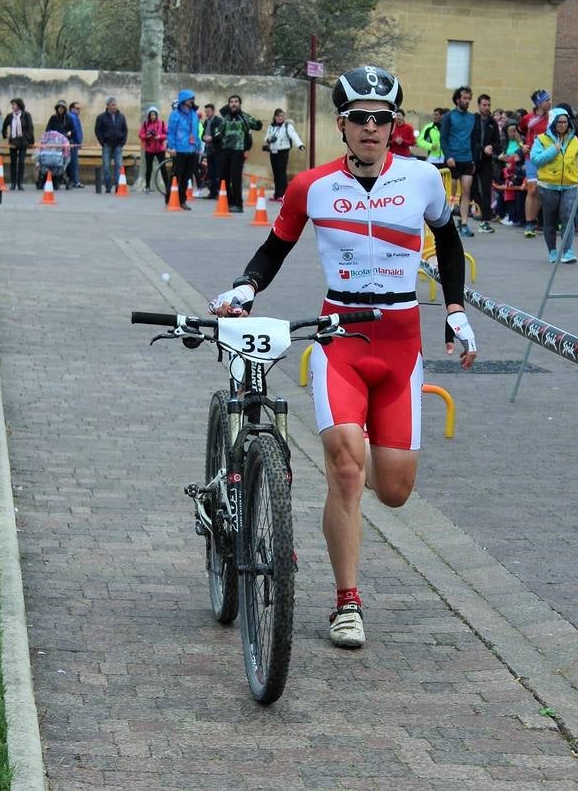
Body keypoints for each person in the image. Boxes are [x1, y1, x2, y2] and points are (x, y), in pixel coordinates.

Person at [210, 65, 477, 649]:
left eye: (382, 119)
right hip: (341, 340)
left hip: (401, 341)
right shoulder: (312, 185)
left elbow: (450, 241)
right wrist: (246, 287)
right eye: (360, 119)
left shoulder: (424, 179)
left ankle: (349, 519)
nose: (372, 129)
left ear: (394, 125)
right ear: (343, 125)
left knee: (395, 489)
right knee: (347, 470)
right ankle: (346, 602)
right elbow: (275, 245)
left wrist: (455, 309)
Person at [530, 106, 578, 265]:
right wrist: (553, 150)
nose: (562, 125)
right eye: (559, 122)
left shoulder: (574, 140)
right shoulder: (541, 139)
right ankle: (553, 251)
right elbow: (536, 160)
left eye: (565, 122)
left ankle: (568, 251)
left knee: (568, 217)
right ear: (553, 123)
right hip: (548, 186)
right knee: (550, 220)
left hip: (569, 185)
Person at [440, 86, 478, 237]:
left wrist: (474, 159)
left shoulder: (472, 117)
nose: (467, 101)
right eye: (464, 98)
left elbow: (474, 140)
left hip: (467, 159)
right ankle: (446, 222)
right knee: (451, 192)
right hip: (452, 159)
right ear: (457, 99)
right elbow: (443, 138)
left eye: (469, 99)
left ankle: (464, 223)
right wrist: (448, 155)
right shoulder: (449, 116)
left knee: (467, 190)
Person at [214, 94, 263, 212]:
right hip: (225, 151)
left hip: (238, 151)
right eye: (231, 102)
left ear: (240, 104)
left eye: (236, 101)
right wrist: (210, 138)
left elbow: (256, 126)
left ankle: (238, 204)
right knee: (224, 177)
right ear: (229, 104)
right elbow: (217, 133)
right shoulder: (226, 118)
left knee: (235, 178)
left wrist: (247, 148)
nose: (234, 104)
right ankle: (229, 202)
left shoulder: (244, 117)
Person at [521, 89, 552, 238]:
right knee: (531, 189)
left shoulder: (553, 118)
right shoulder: (527, 118)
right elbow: (518, 133)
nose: (549, 103)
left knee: (540, 190)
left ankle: (534, 221)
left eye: (549, 100)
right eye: (546, 100)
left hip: (546, 157)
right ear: (539, 103)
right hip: (531, 157)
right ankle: (528, 222)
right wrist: (522, 145)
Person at [166, 89, 200, 210]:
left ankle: (182, 200)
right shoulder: (175, 114)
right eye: (190, 98)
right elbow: (171, 132)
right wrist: (172, 147)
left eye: (193, 99)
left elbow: (196, 132)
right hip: (179, 150)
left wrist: (198, 146)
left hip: (191, 150)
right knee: (176, 175)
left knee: (187, 177)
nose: (192, 101)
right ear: (184, 100)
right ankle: (170, 198)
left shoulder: (194, 114)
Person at [263, 108, 305, 202]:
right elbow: (266, 137)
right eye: (278, 116)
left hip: (283, 151)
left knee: (282, 174)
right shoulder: (271, 126)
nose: (280, 118)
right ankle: (276, 194)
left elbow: (294, 135)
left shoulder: (287, 126)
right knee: (276, 173)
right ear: (275, 117)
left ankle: (283, 194)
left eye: (282, 116)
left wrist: (300, 145)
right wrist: (269, 140)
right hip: (273, 151)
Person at [473, 93, 501, 232]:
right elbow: (471, 140)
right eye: (484, 105)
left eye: (489, 105)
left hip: (486, 162)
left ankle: (485, 220)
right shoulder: (473, 119)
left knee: (486, 190)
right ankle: (464, 217)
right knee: (470, 190)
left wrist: (492, 148)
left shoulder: (492, 122)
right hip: (473, 159)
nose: (487, 107)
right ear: (478, 106)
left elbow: (498, 143)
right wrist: (481, 148)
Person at [94, 96, 128, 194]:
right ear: (108, 106)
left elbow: (125, 130)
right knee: (106, 167)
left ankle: (118, 186)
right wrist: (102, 142)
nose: (115, 106)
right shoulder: (101, 117)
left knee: (119, 166)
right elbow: (97, 130)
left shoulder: (121, 117)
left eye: (115, 104)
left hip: (118, 145)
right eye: (113, 105)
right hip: (107, 145)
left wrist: (123, 142)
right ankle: (108, 187)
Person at [1, 98, 34, 190]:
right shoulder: (10, 116)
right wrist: (6, 134)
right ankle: (13, 183)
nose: (12, 106)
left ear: (19, 105)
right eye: (12, 105)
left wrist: (26, 137)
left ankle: (20, 183)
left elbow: (30, 128)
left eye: (14, 104)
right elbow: (4, 127)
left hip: (23, 142)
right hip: (13, 142)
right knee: (13, 162)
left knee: (21, 162)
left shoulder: (26, 115)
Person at [139, 106, 168, 193]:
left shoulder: (161, 123)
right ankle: (147, 186)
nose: (152, 117)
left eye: (154, 115)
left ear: (157, 115)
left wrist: (159, 137)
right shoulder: (145, 124)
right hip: (149, 149)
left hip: (160, 149)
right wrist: (147, 136)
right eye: (151, 115)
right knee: (149, 169)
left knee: (163, 168)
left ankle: (167, 186)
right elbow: (141, 134)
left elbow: (166, 134)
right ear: (149, 115)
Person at [202, 103, 223, 199]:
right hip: (209, 150)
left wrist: (212, 138)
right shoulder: (206, 122)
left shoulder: (219, 121)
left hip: (217, 150)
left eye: (208, 112)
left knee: (217, 171)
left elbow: (220, 135)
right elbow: (203, 134)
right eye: (205, 112)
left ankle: (219, 192)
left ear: (213, 111)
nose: (206, 114)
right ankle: (212, 192)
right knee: (210, 171)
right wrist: (204, 137)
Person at [67, 102, 85, 188]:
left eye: (79, 109)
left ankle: (72, 180)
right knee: (74, 162)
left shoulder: (71, 116)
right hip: (73, 143)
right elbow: (76, 131)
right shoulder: (73, 117)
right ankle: (75, 181)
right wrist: (79, 142)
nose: (79, 110)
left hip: (71, 142)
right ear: (72, 109)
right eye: (77, 108)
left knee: (71, 162)